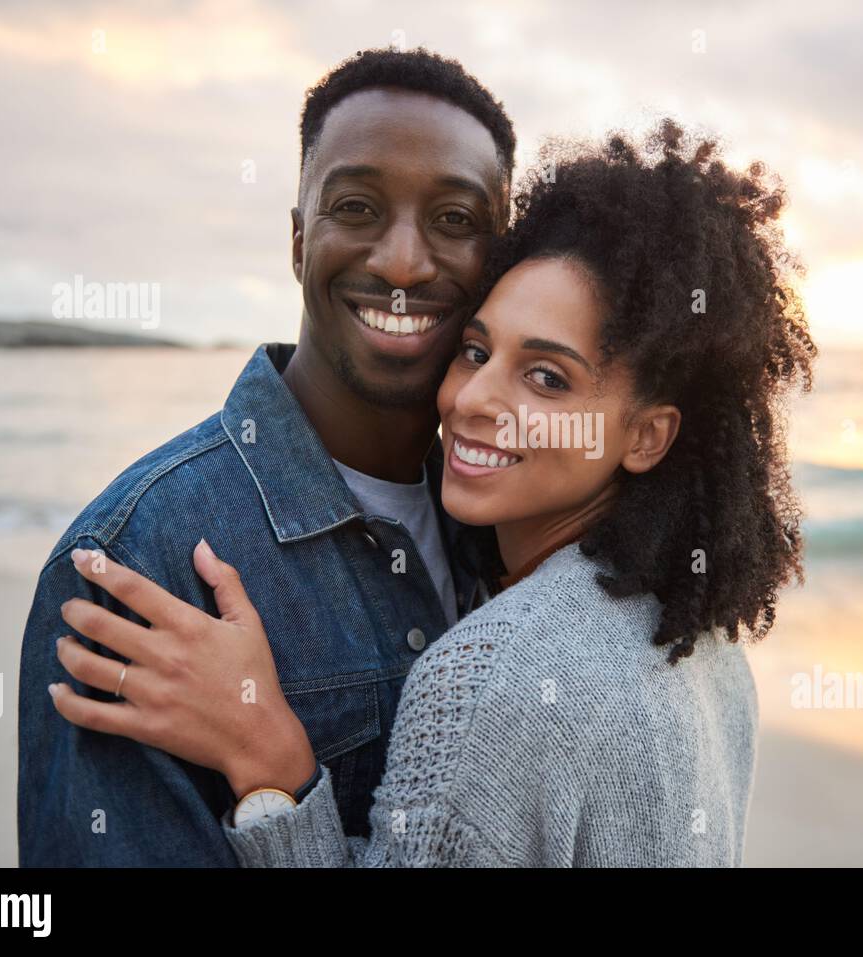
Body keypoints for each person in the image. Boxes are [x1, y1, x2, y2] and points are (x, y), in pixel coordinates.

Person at [47, 119, 817, 866]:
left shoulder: (491, 676)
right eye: (476, 350)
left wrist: (272, 764)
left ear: (648, 435)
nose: (475, 397)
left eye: (545, 377)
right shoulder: (706, 645)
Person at [16, 48, 516, 866]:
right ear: (296, 240)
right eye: (356, 207)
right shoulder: (136, 562)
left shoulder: (516, 528)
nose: (401, 262)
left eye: (455, 219)